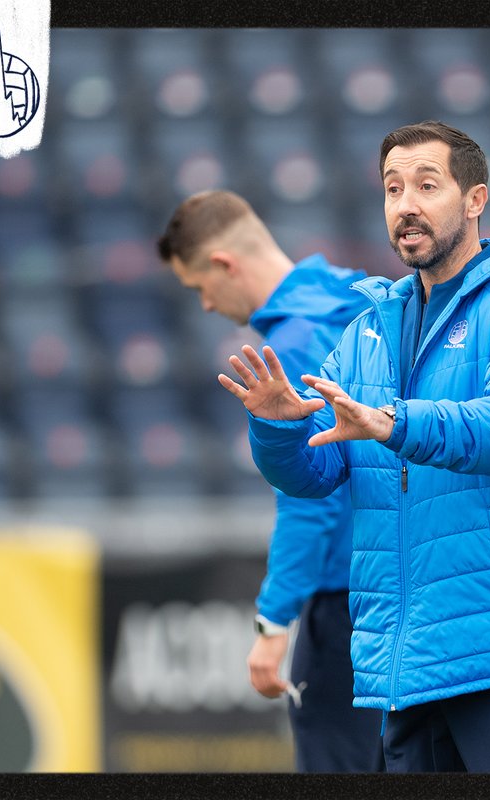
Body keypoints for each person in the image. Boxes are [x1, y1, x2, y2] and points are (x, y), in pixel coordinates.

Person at [218, 121, 490, 773]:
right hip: (404, 670)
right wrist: (277, 427)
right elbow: (314, 472)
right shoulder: (368, 331)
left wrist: (394, 422)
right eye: (393, 189)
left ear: (475, 200)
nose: (406, 205)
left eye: (426, 184)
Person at [156, 190, 384, 772]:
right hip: (402, 580)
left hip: (345, 600)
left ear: (226, 265)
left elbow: (314, 495)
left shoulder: (290, 346)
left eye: (199, 286)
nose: (205, 305)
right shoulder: (362, 299)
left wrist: (274, 620)